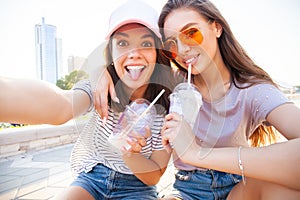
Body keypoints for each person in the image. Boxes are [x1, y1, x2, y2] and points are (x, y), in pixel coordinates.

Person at [92, 0, 300, 199]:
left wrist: (195, 153)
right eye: (172, 44)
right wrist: (103, 73)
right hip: (188, 190)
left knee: (283, 191)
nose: (182, 50)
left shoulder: (253, 91)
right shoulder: (173, 83)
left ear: (217, 28)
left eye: (191, 33)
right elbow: (134, 69)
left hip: (240, 188)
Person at [0, 0, 182, 199]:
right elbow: (61, 105)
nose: (134, 54)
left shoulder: (169, 105)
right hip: (93, 178)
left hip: (138, 188)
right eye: (122, 43)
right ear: (111, 52)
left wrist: (130, 154)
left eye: (146, 43)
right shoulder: (99, 88)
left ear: (157, 53)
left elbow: (154, 176)